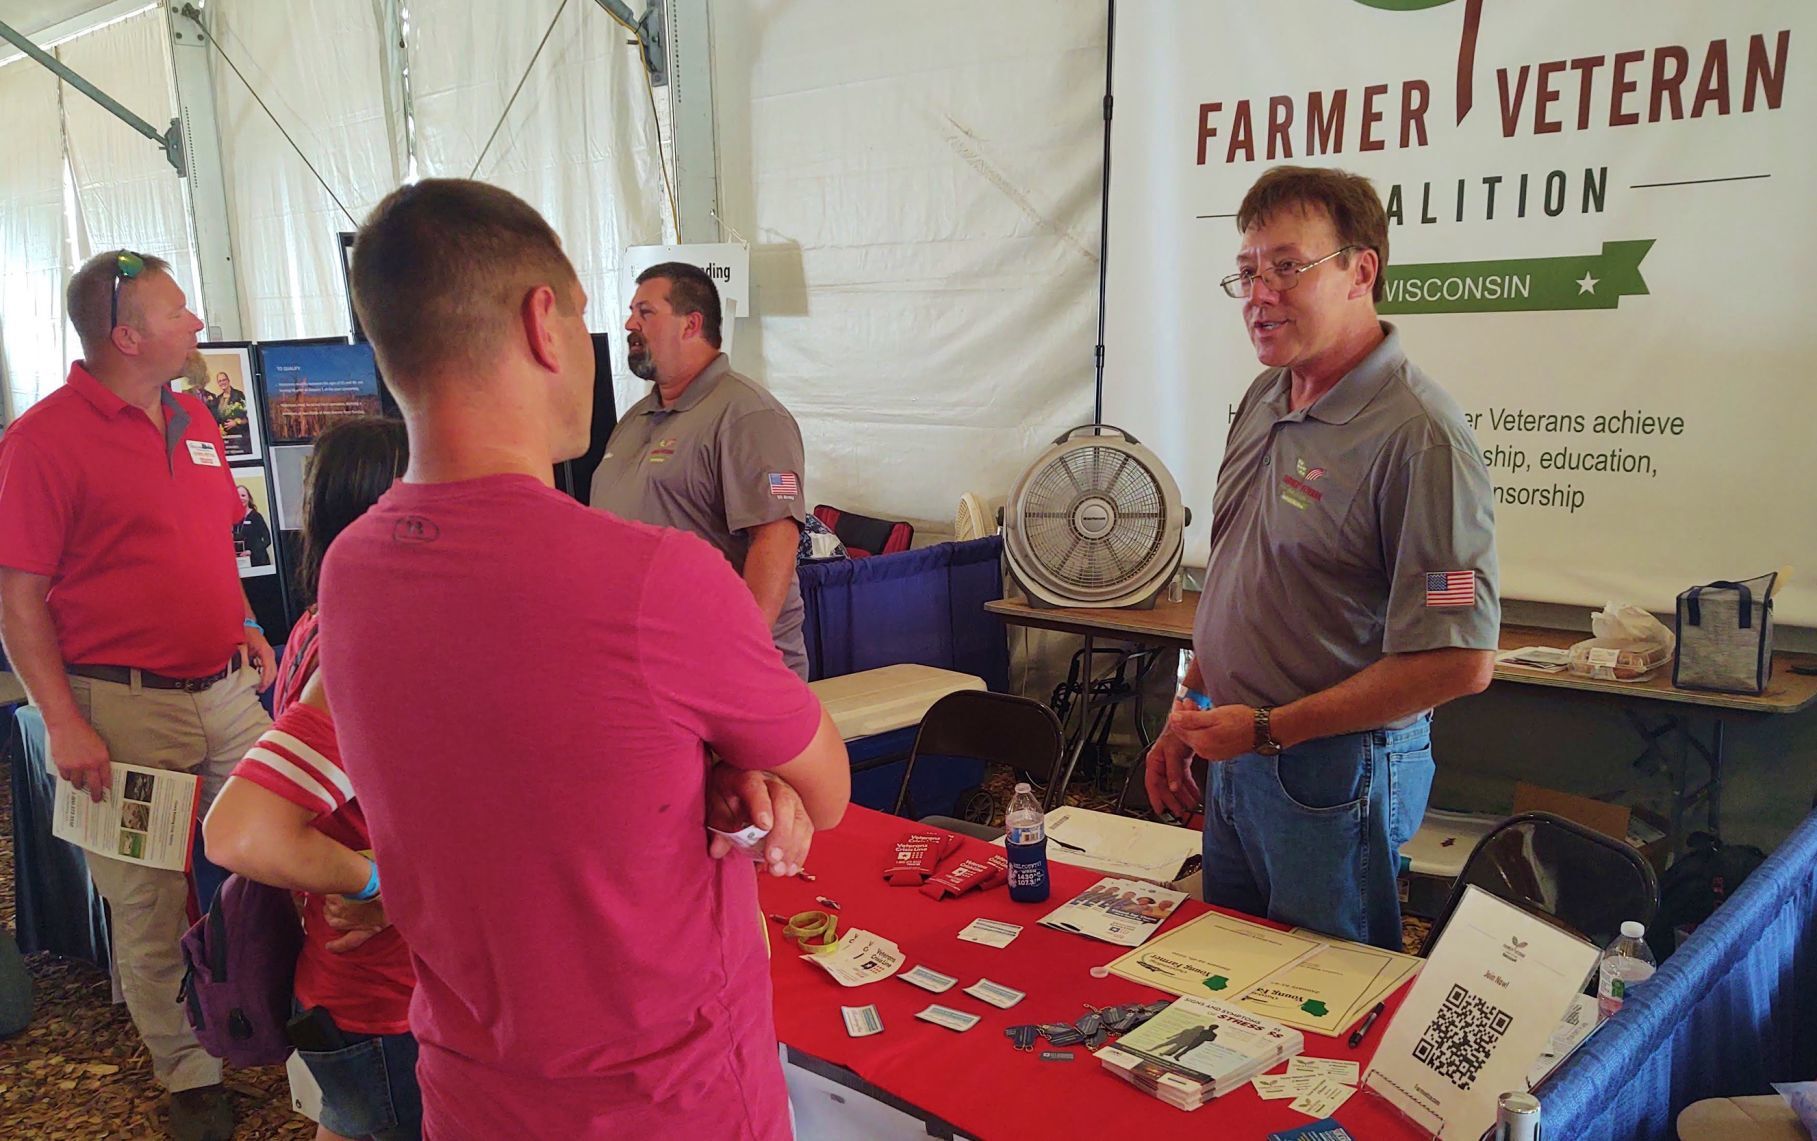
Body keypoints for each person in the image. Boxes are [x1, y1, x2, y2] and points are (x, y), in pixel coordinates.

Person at [321, 178, 850, 1139]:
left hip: (471, 1087)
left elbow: (522, 766)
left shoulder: (348, 572)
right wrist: (732, 748)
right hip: (664, 1102)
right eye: (584, 308)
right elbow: (828, 787)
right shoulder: (658, 576)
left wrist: (704, 755)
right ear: (541, 323)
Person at [1145, 166, 1499, 951]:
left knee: (1316, 1003)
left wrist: (1269, 729)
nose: (1258, 293)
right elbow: (1239, 577)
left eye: (1285, 266)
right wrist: (1191, 707)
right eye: (1245, 272)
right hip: (1240, 751)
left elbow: (1459, 661)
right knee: (1231, 974)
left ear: (1358, 270)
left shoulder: (1419, 438)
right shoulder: (1266, 399)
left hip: (1332, 774)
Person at [0, 249, 277, 1141]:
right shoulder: (41, 441)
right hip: (120, 707)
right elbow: (18, 600)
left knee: (281, 847)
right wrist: (62, 720)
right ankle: (186, 1072)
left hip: (226, 690)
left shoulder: (194, 412)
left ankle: (275, 1012)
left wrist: (239, 617)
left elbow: (210, 537)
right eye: (179, 311)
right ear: (127, 335)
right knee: (147, 896)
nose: (198, 324)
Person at [204, 417, 422, 1141]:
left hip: (343, 978)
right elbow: (239, 829)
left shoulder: (319, 621)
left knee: (347, 1118)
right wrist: (375, 881)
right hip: (380, 989)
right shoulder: (369, 651)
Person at [588, 262, 812, 677]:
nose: (628, 323)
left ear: (691, 324)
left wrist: (740, 657)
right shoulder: (635, 418)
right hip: (646, 663)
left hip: (722, 673)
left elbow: (775, 538)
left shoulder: (748, 415)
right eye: (632, 311)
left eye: (645, 312)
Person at [232, 484, 273, 568]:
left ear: (249, 498)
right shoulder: (233, 518)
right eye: (237, 496)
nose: (241, 498)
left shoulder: (256, 516)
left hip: (258, 561)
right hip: (241, 563)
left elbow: (267, 539)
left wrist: (251, 551)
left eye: (243, 495)